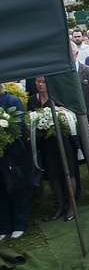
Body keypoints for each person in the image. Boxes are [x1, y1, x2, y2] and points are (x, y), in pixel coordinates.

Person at [27, 77, 78, 222]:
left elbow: (69, 115)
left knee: (68, 171)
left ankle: (71, 206)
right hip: (45, 142)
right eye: (38, 82)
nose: (41, 85)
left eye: (43, 82)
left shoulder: (58, 96)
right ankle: (60, 204)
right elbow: (29, 118)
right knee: (52, 174)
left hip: (62, 140)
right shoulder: (32, 100)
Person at [0, 85, 29, 240]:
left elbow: (18, 124)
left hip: (12, 153)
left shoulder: (12, 100)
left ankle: (20, 223)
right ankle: (3, 226)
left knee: (16, 187)